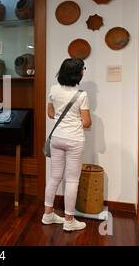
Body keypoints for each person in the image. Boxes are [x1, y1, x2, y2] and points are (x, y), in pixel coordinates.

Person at [42, 58, 92, 232]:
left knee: (54, 177)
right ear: (77, 73)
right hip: (74, 140)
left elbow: (50, 113)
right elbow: (86, 123)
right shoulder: (81, 95)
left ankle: (48, 214)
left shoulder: (54, 90)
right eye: (83, 69)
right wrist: (77, 119)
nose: (83, 71)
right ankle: (69, 220)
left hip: (56, 138)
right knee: (72, 180)